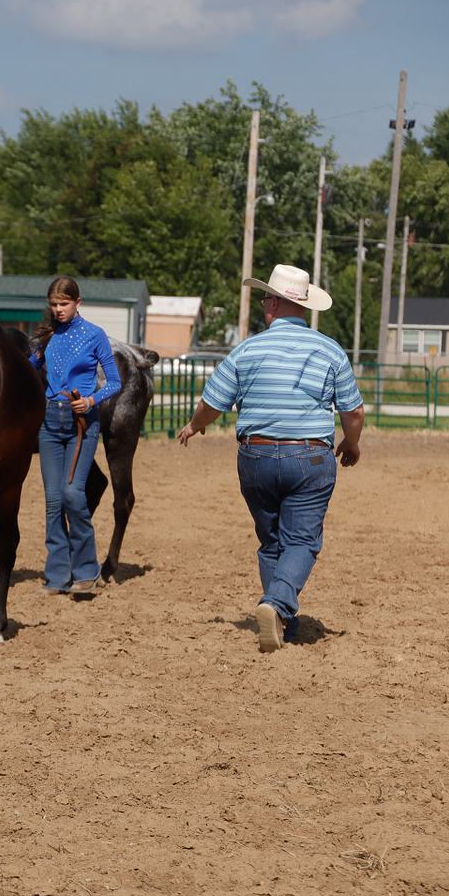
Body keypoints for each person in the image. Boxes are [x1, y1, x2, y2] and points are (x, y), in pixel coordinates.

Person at [177, 264, 364, 652]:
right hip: (310, 458)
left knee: (271, 542)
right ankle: (276, 604)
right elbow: (354, 412)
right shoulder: (330, 349)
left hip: (255, 456)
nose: (264, 305)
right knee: (302, 541)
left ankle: (281, 624)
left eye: (265, 299)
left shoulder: (246, 349)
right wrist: (351, 443)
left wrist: (194, 426)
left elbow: (212, 403)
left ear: (275, 304)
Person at [29, 277, 122, 595]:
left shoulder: (95, 335)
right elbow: (27, 367)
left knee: (71, 494)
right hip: (49, 423)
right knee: (53, 501)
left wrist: (91, 400)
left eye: (64, 304)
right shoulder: (48, 336)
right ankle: (57, 577)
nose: (58, 310)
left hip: (82, 423)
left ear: (77, 302)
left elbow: (115, 381)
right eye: (54, 304)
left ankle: (87, 570)